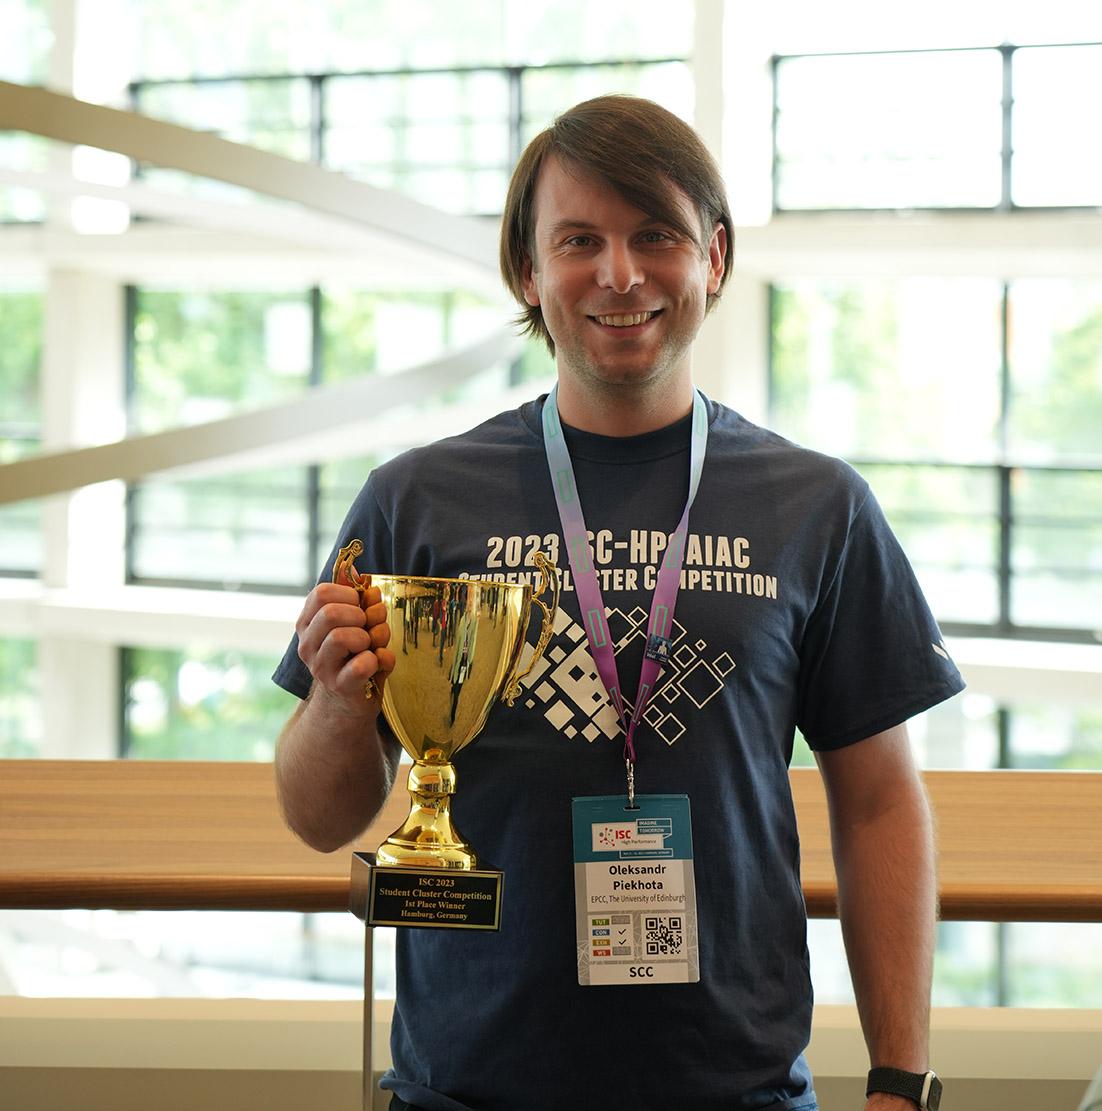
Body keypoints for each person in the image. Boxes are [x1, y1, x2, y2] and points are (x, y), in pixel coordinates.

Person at [273, 94, 963, 1111]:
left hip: (736, 1087)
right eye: (579, 240)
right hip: (468, 1085)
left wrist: (900, 1080)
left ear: (714, 258)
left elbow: (878, 802)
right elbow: (318, 817)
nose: (621, 274)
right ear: (527, 269)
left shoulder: (817, 507)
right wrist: (336, 702)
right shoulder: (415, 500)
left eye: (656, 236)